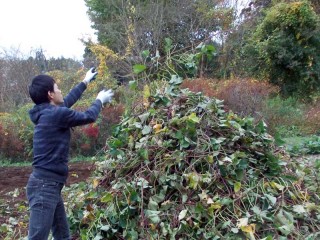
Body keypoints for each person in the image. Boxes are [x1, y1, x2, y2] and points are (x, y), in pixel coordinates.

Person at [26, 68, 113, 240]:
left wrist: (85, 81)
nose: (60, 91)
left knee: (62, 236)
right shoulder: (55, 114)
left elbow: (67, 101)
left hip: (50, 185)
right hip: (45, 186)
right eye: (57, 88)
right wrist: (99, 101)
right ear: (50, 94)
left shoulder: (47, 113)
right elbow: (88, 116)